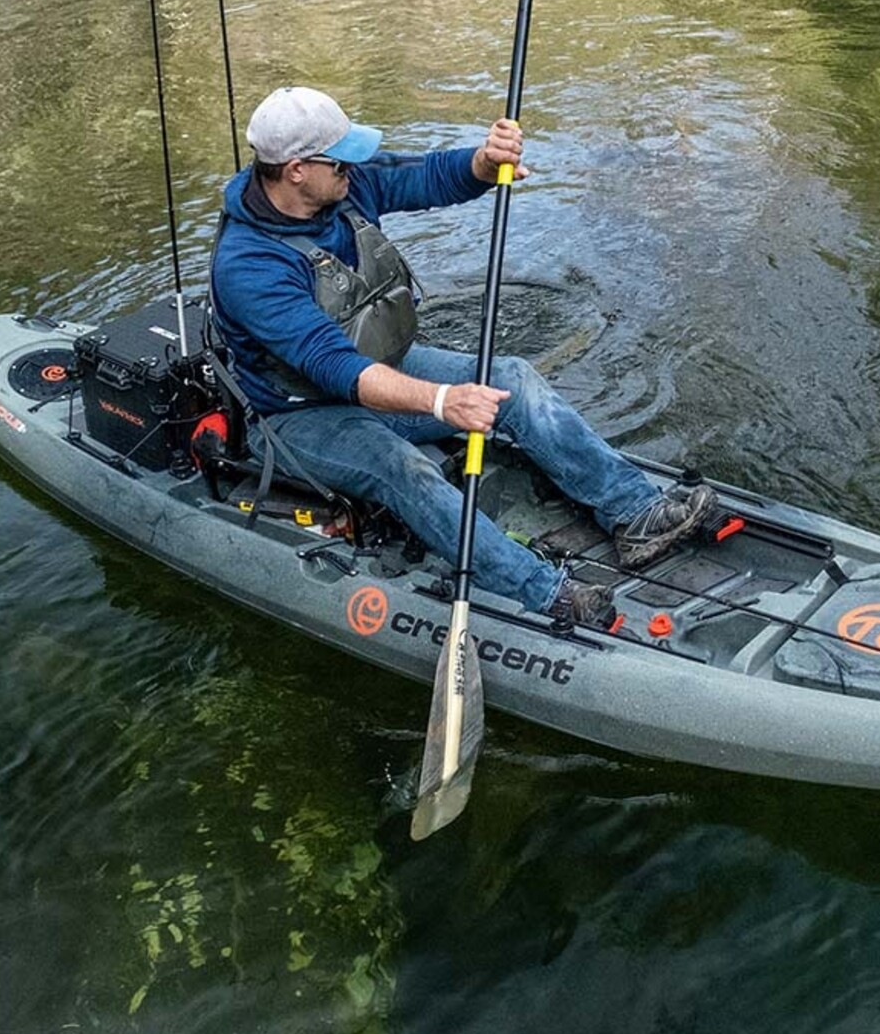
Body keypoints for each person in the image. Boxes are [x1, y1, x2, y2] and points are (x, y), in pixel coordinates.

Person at [209, 85, 720, 628]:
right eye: (341, 159)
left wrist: (482, 161)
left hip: (382, 372)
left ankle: (634, 511)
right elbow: (335, 365)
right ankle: (542, 591)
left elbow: (425, 176)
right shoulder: (248, 266)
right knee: (398, 466)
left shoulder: (340, 185)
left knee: (513, 381)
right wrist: (443, 401)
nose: (354, 167)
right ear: (295, 170)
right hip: (299, 416)